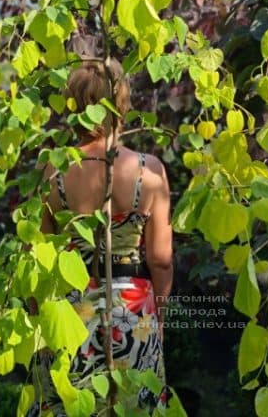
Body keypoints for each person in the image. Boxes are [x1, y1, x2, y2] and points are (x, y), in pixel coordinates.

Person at [27, 59, 173, 415]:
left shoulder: (53, 169)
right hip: (132, 312)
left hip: (70, 314)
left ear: (73, 105)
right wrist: (160, 317)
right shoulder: (149, 171)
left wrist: (37, 318)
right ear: (120, 102)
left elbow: (40, 256)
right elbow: (159, 259)